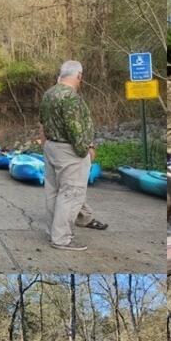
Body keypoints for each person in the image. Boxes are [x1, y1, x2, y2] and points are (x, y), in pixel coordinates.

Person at [39, 60, 106, 251]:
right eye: (81, 77)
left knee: (53, 192)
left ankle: (52, 231)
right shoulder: (71, 98)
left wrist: (45, 145)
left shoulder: (49, 94)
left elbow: (42, 123)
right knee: (71, 194)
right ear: (79, 75)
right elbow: (76, 129)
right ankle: (61, 238)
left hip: (51, 146)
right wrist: (86, 149)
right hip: (69, 150)